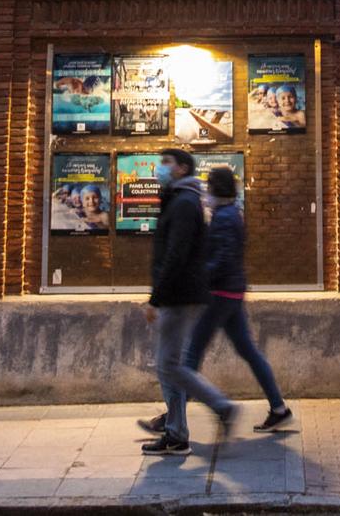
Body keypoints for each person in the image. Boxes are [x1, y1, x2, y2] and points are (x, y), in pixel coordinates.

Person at [167, 165, 292, 433]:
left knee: (190, 356)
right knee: (247, 350)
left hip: (220, 294)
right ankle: (279, 408)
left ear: (216, 189)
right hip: (232, 292)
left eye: (209, 187)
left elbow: (221, 259)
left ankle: (173, 419)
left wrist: (200, 280)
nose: (206, 193)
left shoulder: (224, 218)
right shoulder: (232, 214)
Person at [140, 148, 210, 455]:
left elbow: (176, 254)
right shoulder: (180, 199)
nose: (160, 168)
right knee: (170, 365)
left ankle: (189, 424)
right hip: (178, 293)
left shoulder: (183, 202)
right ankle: (176, 429)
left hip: (177, 295)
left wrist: (156, 298)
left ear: (181, 169)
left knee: (169, 366)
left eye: (166, 163)